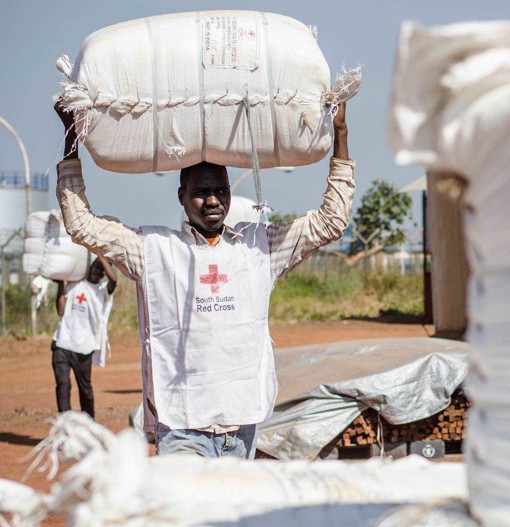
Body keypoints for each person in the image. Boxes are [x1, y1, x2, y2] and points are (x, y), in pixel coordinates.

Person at [54, 100, 355, 458]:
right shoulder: (153, 250)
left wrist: (339, 134)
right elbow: (81, 224)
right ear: (181, 196)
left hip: (242, 425)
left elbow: (331, 221)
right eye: (201, 192)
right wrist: (71, 137)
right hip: (181, 425)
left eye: (222, 191)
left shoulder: (259, 247)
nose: (213, 200)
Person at [52, 257, 117, 419]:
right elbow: (60, 311)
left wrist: (100, 256)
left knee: (85, 389)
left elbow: (113, 280)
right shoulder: (75, 284)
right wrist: (60, 285)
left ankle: (89, 423)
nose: (98, 271)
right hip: (62, 344)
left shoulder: (103, 290)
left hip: (84, 348)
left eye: (102, 270)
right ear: (89, 266)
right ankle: (65, 425)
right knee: (63, 385)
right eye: (95, 267)